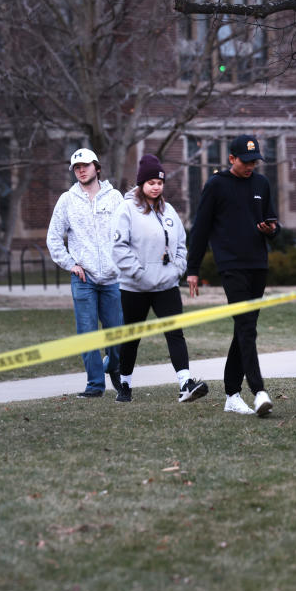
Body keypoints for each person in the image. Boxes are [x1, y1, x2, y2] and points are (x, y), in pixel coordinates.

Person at [185, 135, 279, 416]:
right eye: (246, 161)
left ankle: (230, 394)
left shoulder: (262, 184)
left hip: (258, 265)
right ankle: (258, 391)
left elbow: (273, 222)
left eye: (255, 161)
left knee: (244, 329)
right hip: (231, 266)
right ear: (231, 159)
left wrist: (271, 230)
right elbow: (200, 228)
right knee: (247, 328)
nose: (251, 166)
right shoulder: (216, 185)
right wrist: (193, 269)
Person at [111, 154, 208, 404]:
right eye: (151, 182)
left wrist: (177, 269)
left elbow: (181, 245)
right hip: (135, 287)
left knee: (175, 334)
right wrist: (139, 273)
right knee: (132, 337)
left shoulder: (168, 210)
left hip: (166, 285)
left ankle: (185, 384)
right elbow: (119, 247)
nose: (156, 186)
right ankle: (125, 384)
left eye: (160, 182)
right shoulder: (126, 209)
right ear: (142, 183)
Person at [47, 148, 125, 398]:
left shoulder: (115, 198)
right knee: (88, 333)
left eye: (85, 165)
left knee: (117, 334)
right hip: (84, 279)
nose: (81, 170)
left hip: (113, 278)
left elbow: (127, 233)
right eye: (76, 167)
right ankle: (95, 386)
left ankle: (112, 365)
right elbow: (53, 238)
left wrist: (123, 263)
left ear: (97, 168)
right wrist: (71, 264)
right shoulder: (67, 200)